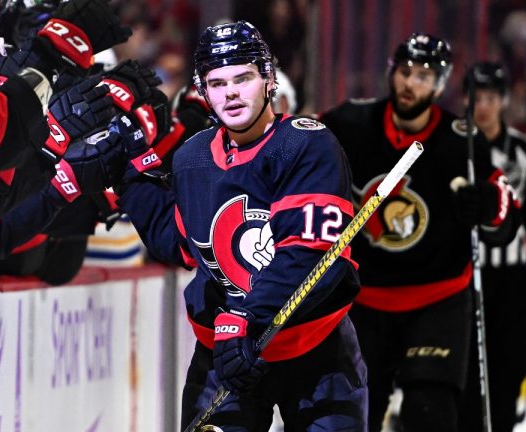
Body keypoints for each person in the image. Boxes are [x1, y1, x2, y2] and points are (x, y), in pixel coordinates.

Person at [117, 21, 366, 430]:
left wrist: (244, 319)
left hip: (314, 350)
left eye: (243, 78)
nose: (230, 92)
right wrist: (129, 179)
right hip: (226, 355)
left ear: (269, 80)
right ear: (204, 90)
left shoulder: (305, 143)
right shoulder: (192, 157)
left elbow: (306, 255)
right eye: (217, 83)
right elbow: (181, 243)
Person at [319, 34, 520, 432]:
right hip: (364, 301)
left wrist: (487, 205)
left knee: (430, 414)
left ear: (441, 85)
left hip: (438, 302)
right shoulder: (348, 124)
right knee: (351, 416)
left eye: (424, 76)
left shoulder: (460, 141)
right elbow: (298, 152)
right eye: (406, 72)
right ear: (392, 73)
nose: (411, 84)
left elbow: (505, 206)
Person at [457, 62, 526, 432]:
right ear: (465, 99)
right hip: (463, 279)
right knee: (464, 374)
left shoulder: (523, 152)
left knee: (510, 367)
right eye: (475, 98)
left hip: (511, 281)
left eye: (490, 98)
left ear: (502, 101)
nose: (482, 107)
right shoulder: (452, 146)